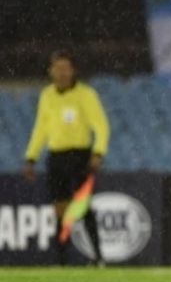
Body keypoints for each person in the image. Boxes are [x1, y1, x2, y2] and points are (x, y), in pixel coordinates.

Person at [23, 51, 109, 266]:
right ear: (51, 71)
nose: (61, 73)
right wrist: (31, 157)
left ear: (73, 71)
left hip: (80, 157)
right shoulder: (47, 96)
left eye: (65, 68)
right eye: (57, 68)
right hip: (56, 158)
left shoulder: (85, 94)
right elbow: (40, 129)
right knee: (60, 209)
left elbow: (101, 126)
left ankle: (98, 257)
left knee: (83, 206)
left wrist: (98, 152)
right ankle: (62, 261)